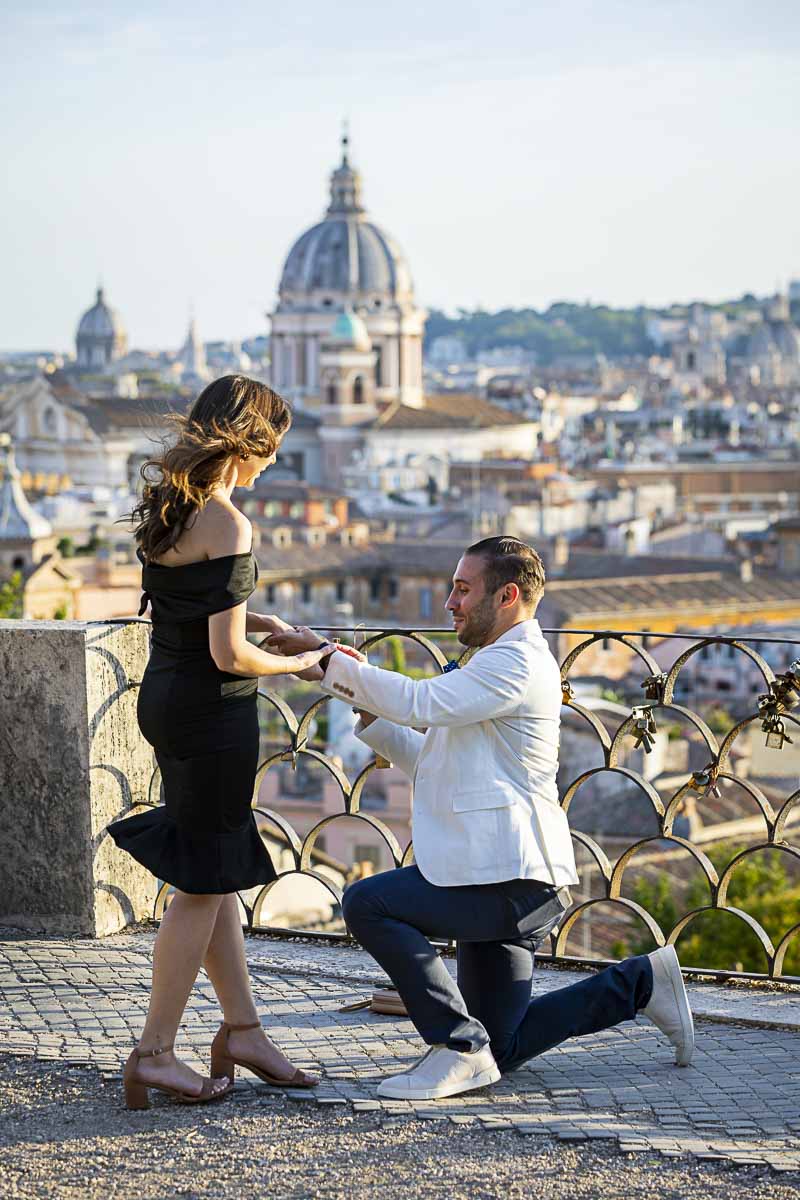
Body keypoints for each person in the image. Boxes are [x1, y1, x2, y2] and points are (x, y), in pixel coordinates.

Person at [269, 536, 694, 1101]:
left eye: (463, 589)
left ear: (508, 596)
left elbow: (420, 703)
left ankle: (454, 1046)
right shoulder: (492, 665)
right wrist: (358, 692)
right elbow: (431, 761)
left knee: (367, 903)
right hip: (498, 878)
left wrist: (327, 660)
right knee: (503, 1047)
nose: (450, 602)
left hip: (509, 880)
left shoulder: (516, 663)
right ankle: (641, 983)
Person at [108, 375, 348, 1110]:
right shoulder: (229, 522)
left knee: (212, 874)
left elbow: (195, 611)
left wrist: (255, 620)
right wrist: (301, 662)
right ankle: (153, 1053)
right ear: (250, 443)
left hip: (165, 697)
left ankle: (243, 1030)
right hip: (214, 713)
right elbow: (229, 654)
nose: (274, 463)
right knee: (201, 886)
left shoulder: (172, 507)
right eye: (272, 450)